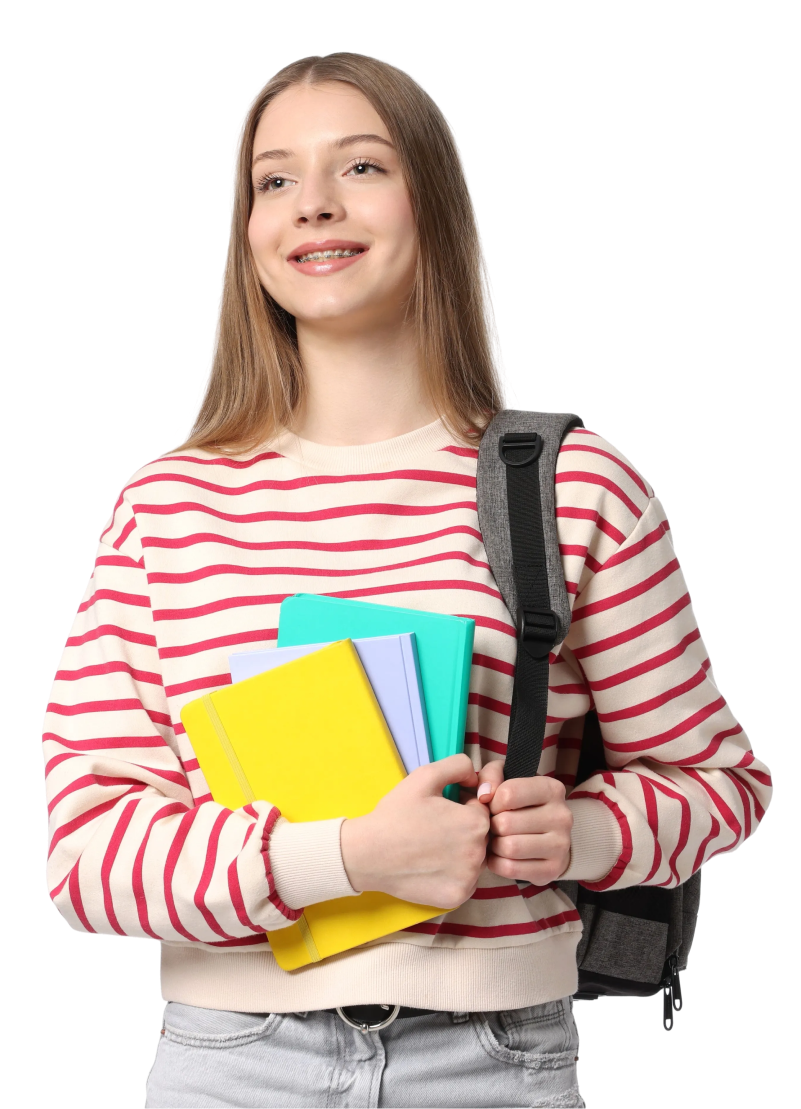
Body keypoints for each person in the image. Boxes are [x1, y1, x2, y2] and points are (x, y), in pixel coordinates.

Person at [42, 53, 773, 1109]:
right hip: (228, 1063)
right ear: (245, 230)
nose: (316, 206)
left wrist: (582, 831)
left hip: (497, 1060)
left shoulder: (575, 485)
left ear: (434, 200)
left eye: (364, 167)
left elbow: (722, 781)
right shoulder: (166, 508)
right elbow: (86, 855)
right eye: (274, 179)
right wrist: (347, 856)